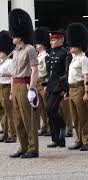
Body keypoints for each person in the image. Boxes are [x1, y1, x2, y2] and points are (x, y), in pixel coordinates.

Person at [0, 9, 39, 158]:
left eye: (14, 35)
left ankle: (33, 149)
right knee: (17, 119)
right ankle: (23, 147)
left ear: (20, 35)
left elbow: (35, 70)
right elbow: (14, 73)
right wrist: (0, 73)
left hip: (25, 86)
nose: (11, 37)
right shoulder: (16, 51)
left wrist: (32, 88)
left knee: (27, 118)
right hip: (16, 85)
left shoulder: (30, 49)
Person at [66, 23, 88, 151]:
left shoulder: (83, 59)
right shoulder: (74, 59)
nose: (70, 47)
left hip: (80, 88)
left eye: (72, 44)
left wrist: (86, 92)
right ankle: (79, 139)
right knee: (75, 117)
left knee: (83, 116)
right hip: (72, 89)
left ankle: (86, 140)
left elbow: (86, 76)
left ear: (79, 45)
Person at [45, 31, 68, 148]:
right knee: (49, 112)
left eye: (54, 40)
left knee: (50, 109)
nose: (51, 42)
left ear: (61, 40)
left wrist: (65, 88)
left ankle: (63, 126)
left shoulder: (64, 53)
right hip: (50, 86)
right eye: (51, 40)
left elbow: (66, 72)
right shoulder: (50, 53)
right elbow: (50, 72)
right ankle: (57, 140)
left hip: (58, 87)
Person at [0, 30, 16, 143]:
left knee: (9, 112)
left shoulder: (10, 62)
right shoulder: (0, 62)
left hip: (6, 88)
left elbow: (13, 75)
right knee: (2, 112)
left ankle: (12, 134)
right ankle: (5, 133)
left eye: (1, 51)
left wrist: (12, 92)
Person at [33, 27, 51, 137]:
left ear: (43, 44)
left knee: (46, 106)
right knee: (40, 107)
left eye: (38, 43)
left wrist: (47, 84)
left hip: (43, 81)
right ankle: (44, 126)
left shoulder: (46, 56)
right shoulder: (37, 55)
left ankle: (49, 127)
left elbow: (48, 71)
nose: (36, 45)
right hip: (37, 82)